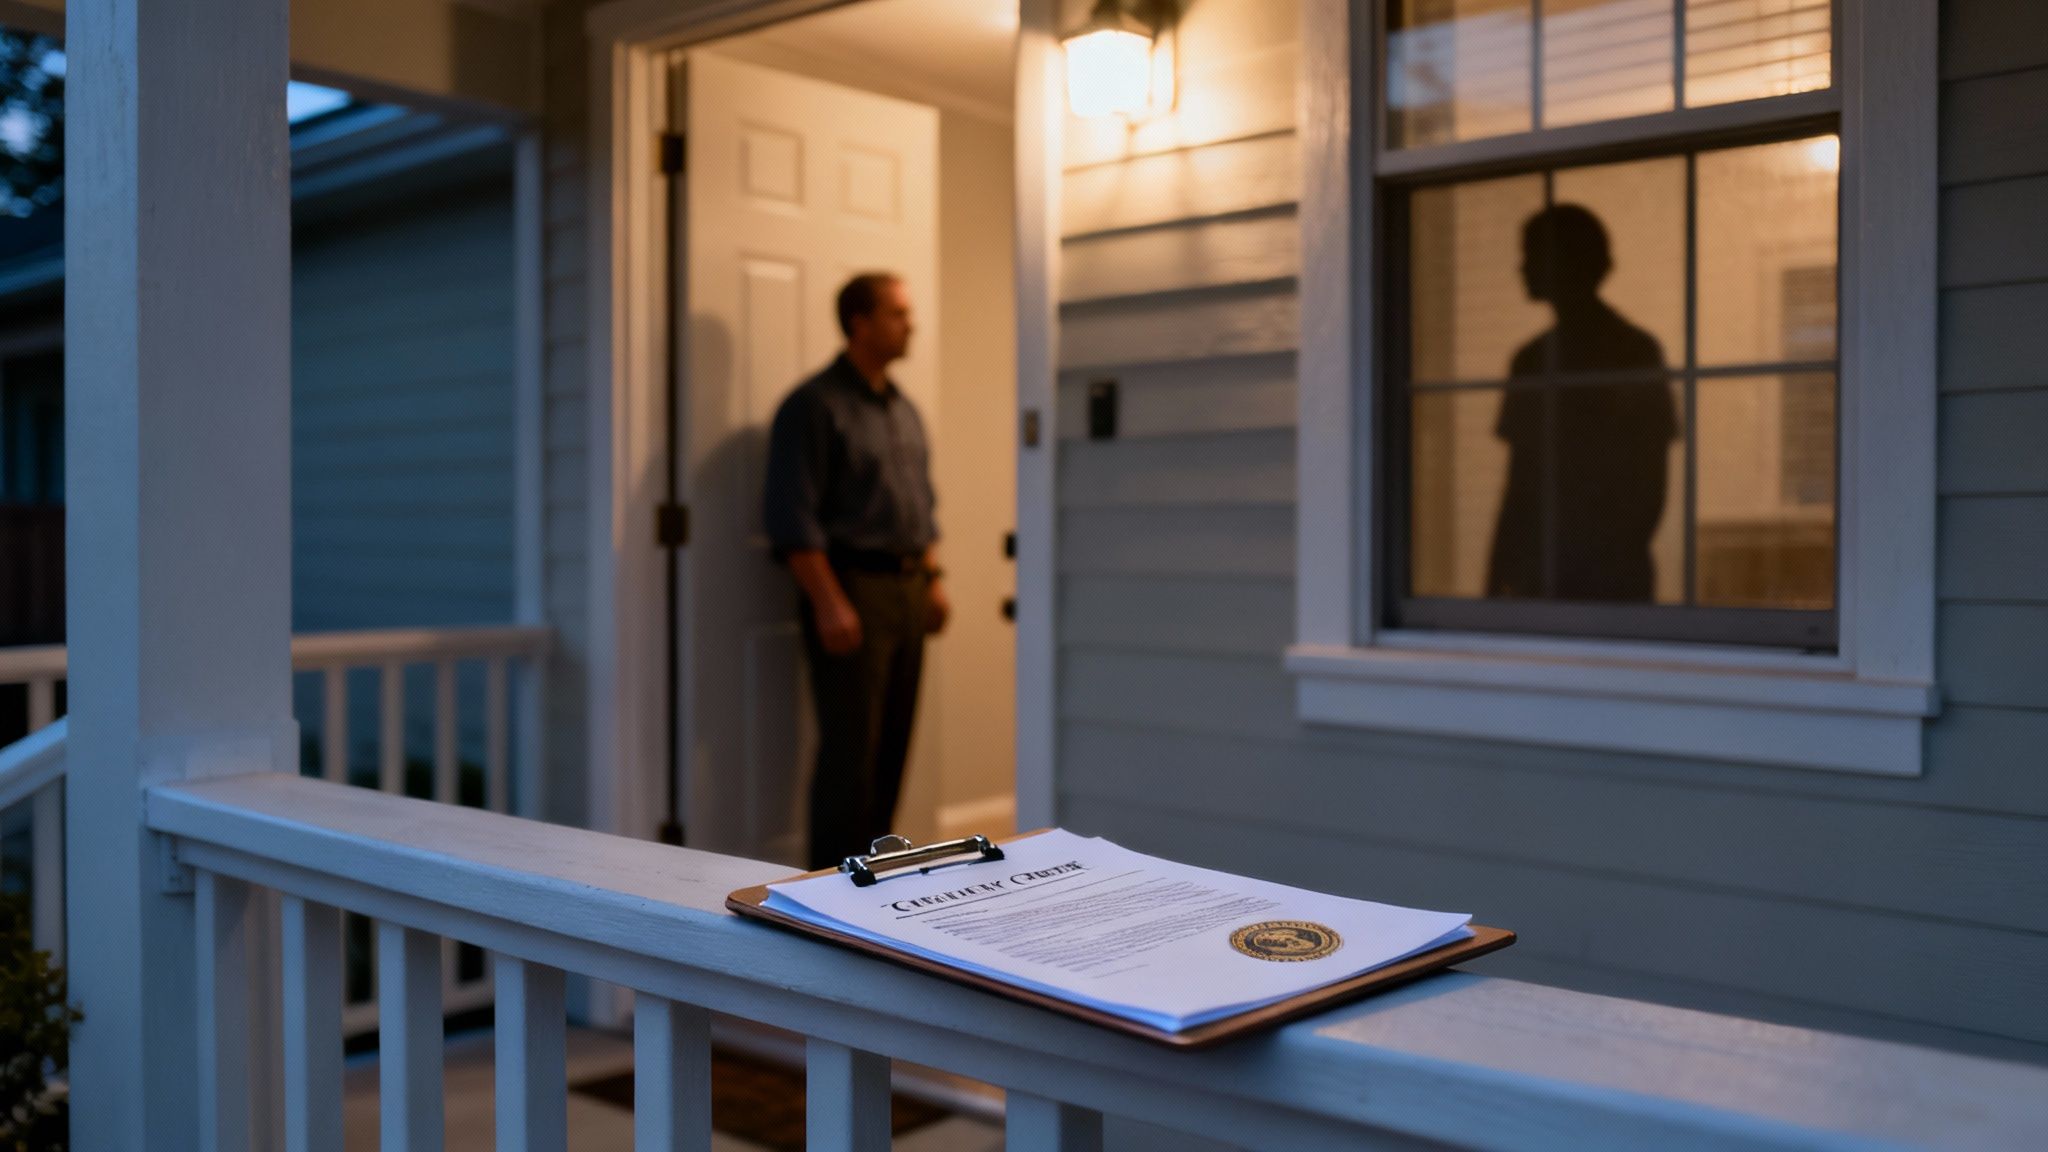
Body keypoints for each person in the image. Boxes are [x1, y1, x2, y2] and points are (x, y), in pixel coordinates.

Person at [763, 272, 949, 870]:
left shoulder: (903, 409)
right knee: (851, 756)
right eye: (898, 312)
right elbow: (792, 517)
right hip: (853, 590)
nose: (910, 323)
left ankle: (878, 879)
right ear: (859, 323)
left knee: (893, 748)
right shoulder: (813, 406)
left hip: (908, 589)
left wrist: (934, 578)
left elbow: (921, 503)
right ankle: (828, 892)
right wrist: (828, 601)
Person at [1488, 204, 1677, 602]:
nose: (1520, 268)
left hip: (1599, 579)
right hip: (1565, 577)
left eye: (1530, 255)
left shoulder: (1626, 353)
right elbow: (1521, 486)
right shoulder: (1543, 358)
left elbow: (1647, 481)